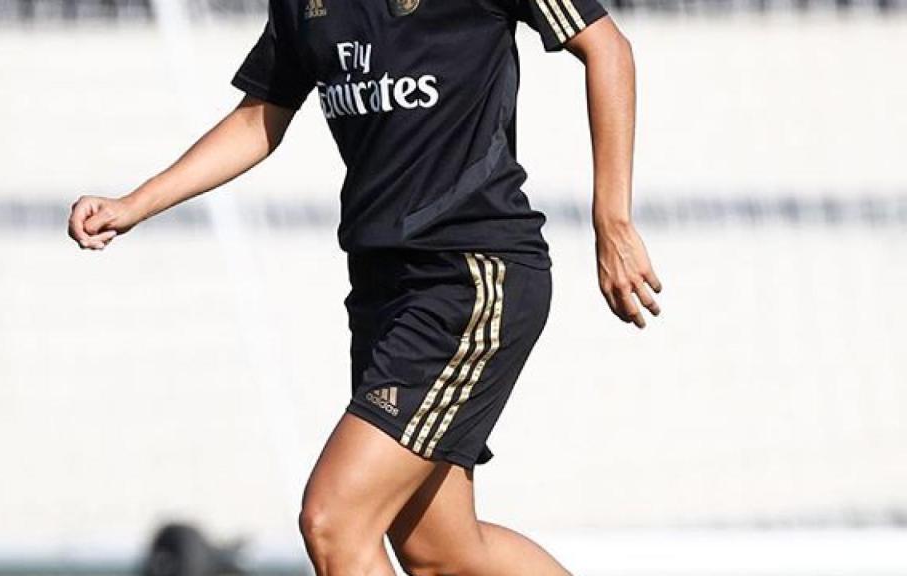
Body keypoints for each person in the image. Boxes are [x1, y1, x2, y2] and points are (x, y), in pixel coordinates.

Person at [68, 0, 662, 573]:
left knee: (333, 521)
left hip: (469, 277)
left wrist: (612, 222)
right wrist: (135, 203)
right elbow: (260, 117)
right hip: (382, 292)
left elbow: (607, 47)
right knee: (443, 553)